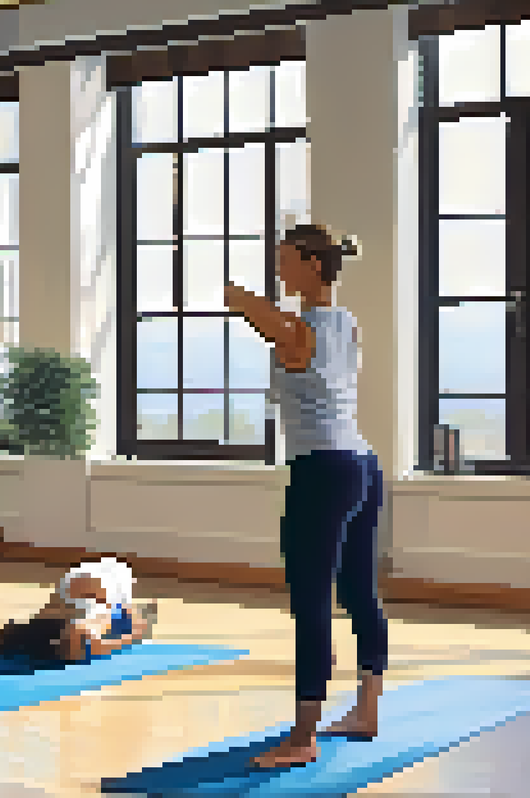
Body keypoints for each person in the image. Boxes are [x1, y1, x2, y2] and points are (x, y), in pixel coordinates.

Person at [224, 223, 388, 769]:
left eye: (286, 260)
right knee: (359, 588)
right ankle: (367, 709)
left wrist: (232, 294)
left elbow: (269, 323)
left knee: (311, 600)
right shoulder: (345, 323)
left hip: (324, 470)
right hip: (363, 464)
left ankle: (302, 737)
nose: (278, 270)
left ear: (314, 267)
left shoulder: (303, 330)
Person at [0, 558, 153, 663]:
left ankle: (21, 637)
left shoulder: (107, 598)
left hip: (78, 587)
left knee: (61, 613)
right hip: (91, 591)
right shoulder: (113, 602)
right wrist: (127, 640)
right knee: (85, 619)